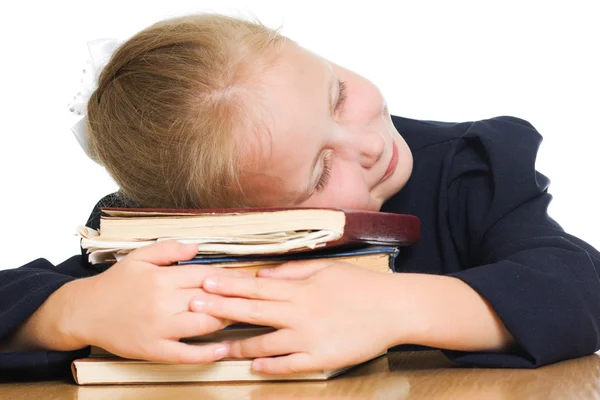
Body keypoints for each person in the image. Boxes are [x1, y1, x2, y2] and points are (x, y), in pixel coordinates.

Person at [1, 13, 599, 379]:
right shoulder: (162, 241)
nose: (363, 144)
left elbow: (579, 283)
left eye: (337, 96)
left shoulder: (469, 172)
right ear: (218, 219)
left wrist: (397, 306)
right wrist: (70, 312)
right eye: (318, 172)